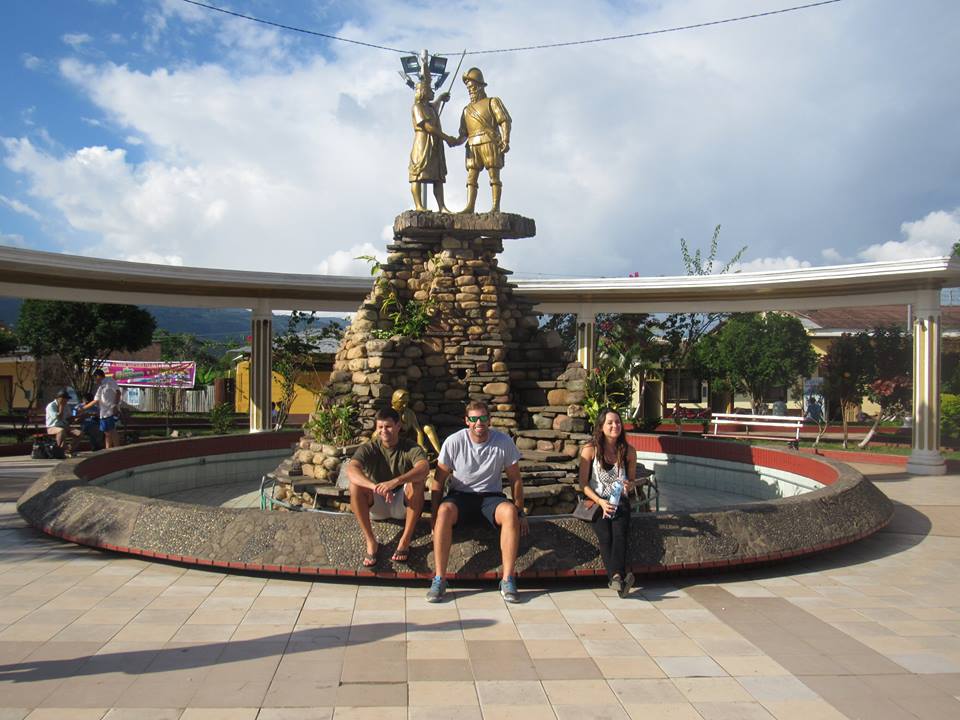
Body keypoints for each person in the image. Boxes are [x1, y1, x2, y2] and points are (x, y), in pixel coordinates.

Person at [428, 400, 527, 603]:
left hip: (491, 497)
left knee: (509, 513)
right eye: (474, 418)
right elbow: (438, 481)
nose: (478, 422)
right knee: (445, 511)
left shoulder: (503, 441)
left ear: (489, 420)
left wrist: (520, 511)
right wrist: (433, 515)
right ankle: (439, 578)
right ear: (467, 421)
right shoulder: (454, 442)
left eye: (483, 418)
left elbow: (515, 479)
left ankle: (508, 579)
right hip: (460, 496)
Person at [346, 407, 430, 567]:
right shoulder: (370, 447)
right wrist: (374, 486)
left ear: (398, 426)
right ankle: (371, 542)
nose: (384, 431)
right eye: (380, 427)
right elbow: (351, 469)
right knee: (355, 485)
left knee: (417, 482)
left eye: (388, 426)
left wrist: (395, 482)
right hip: (377, 503)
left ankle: (405, 540)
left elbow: (423, 468)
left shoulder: (410, 447)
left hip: (402, 504)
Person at [578, 408, 639, 598]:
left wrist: (628, 485)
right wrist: (601, 502)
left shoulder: (628, 451)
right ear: (601, 427)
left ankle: (616, 579)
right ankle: (618, 578)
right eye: (610, 423)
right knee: (605, 535)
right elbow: (583, 484)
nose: (615, 426)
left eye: (618, 422)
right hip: (596, 501)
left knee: (620, 533)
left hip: (619, 501)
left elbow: (632, 481)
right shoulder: (590, 449)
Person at [449, 67, 512, 213]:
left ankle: (495, 206)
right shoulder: (466, 110)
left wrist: (506, 140)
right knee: (471, 177)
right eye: (468, 88)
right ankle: (470, 206)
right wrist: (453, 141)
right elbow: (463, 134)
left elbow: (504, 121)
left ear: (480, 86)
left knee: (494, 175)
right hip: (472, 145)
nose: (471, 90)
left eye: (473, 87)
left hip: (489, 141)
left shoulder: (492, 102)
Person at [409, 78, 457, 212]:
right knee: (417, 174)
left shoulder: (429, 107)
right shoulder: (417, 107)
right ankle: (419, 205)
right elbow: (427, 126)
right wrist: (446, 137)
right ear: (423, 91)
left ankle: (442, 206)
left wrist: (441, 98)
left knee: (438, 176)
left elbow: (434, 106)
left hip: (435, 144)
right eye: (430, 90)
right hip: (422, 143)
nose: (432, 92)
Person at [391, 388, 441, 455]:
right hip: (397, 440)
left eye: (406, 402)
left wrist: (420, 446)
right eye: (402, 402)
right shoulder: (390, 413)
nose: (405, 405)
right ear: (395, 401)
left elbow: (418, 431)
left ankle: (440, 454)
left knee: (428, 427)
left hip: (410, 436)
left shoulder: (409, 412)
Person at [80, 369, 121, 449]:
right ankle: (108, 449)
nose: (95, 380)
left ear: (98, 376)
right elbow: (95, 400)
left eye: (95, 378)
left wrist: (115, 405)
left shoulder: (110, 381)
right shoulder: (100, 388)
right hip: (103, 413)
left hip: (110, 411)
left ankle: (118, 449)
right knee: (107, 433)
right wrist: (83, 408)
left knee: (112, 431)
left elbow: (118, 392)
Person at [45, 389, 81, 455]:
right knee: (61, 431)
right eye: (65, 399)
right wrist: (61, 406)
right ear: (59, 398)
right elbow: (58, 417)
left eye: (67, 399)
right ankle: (59, 451)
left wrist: (76, 418)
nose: (66, 401)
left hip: (65, 426)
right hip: (52, 427)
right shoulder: (51, 406)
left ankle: (69, 450)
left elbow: (69, 418)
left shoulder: (66, 406)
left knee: (79, 433)